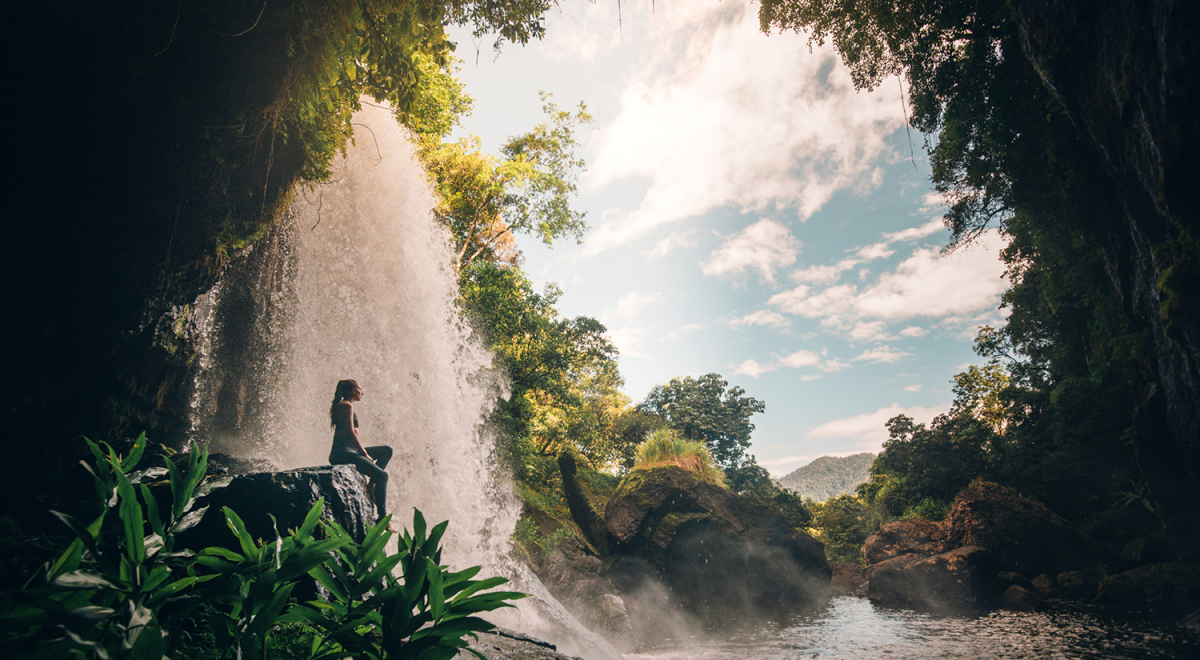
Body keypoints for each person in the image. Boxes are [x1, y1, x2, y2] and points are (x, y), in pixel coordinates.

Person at [329, 379, 396, 531]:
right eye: (360, 389)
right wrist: (364, 453)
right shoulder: (346, 405)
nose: (362, 392)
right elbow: (350, 432)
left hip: (348, 450)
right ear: (353, 390)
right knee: (383, 476)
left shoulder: (345, 405)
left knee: (387, 450)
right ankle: (382, 516)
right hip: (343, 452)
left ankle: (372, 483)